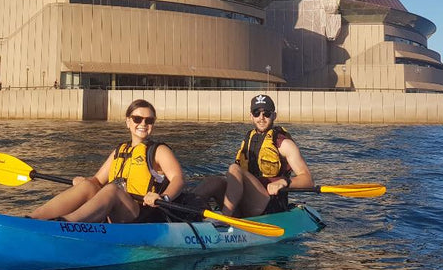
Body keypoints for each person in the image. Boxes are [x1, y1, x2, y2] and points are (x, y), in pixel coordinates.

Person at [29, 99, 185, 223]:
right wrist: (83, 181)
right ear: (128, 122)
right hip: (116, 210)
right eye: (137, 119)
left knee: (112, 189)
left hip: (141, 214)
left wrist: (163, 197)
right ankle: (33, 219)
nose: (143, 124)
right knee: (88, 185)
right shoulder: (120, 150)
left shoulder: (159, 150)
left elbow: (178, 178)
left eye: (149, 120)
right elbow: (97, 180)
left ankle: (66, 224)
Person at [195, 94, 312, 217]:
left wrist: (284, 182)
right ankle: (184, 212)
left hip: (269, 204)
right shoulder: (248, 140)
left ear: (274, 115)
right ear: (251, 116)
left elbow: (308, 180)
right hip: (245, 202)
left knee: (234, 168)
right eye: (256, 113)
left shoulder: (284, 144)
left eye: (266, 113)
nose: (261, 118)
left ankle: (225, 218)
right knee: (212, 182)